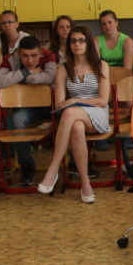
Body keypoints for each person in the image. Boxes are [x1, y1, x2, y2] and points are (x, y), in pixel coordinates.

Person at [36, 26, 111, 204]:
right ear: (69, 44)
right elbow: (59, 103)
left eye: (81, 40)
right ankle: (85, 184)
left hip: (98, 115)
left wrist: (76, 100)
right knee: (76, 127)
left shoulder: (101, 65)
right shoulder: (63, 68)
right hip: (76, 117)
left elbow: (103, 100)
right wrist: (73, 104)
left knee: (70, 112)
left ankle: (53, 168)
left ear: (88, 43)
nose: (77, 44)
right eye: (73, 41)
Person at [0, 34, 56, 186]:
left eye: (34, 55)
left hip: (51, 106)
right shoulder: (11, 58)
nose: (30, 61)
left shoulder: (49, 56)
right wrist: (27, 72)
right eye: (25, 56)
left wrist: (25, 80)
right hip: (27, 107)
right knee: (17, 120)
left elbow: (50, 77)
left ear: (40, 53)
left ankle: (67, 165)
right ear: (18, 54)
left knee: (69, 116)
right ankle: (27, 167)